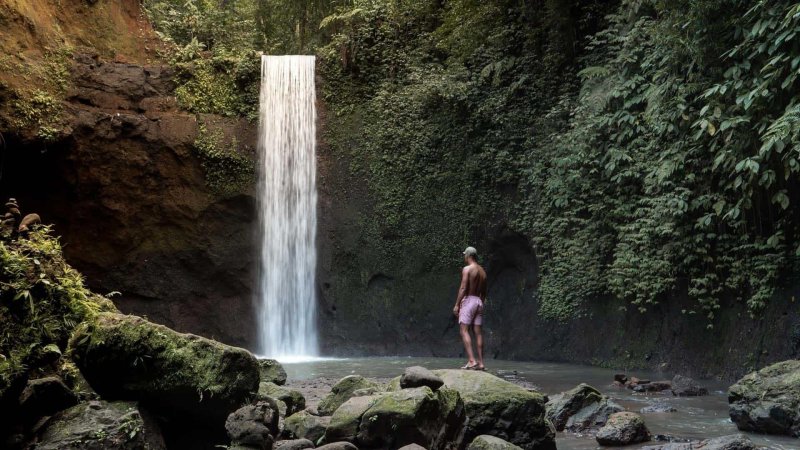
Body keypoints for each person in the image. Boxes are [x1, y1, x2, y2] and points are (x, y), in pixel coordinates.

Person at [452, 246, 487, 370]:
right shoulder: (482, 271)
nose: (464, 257)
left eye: (465, 255)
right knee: (478, 333)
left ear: (468, 256)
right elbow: (484, 292)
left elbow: (463, 288)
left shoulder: (467, 269)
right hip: (479, 301)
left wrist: (457, 304)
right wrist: (480, 304)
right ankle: (481, 363)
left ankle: (472, 361)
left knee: (464, 330)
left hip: (469, 300)